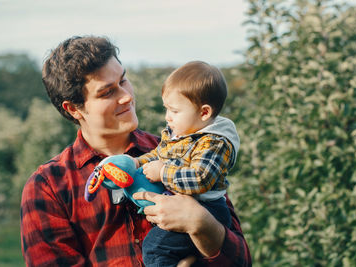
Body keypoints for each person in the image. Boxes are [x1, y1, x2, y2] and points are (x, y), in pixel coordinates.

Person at [20, 35, 251, 266]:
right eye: (107, 92)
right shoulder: (49, 187)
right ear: (73, 109)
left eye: (123, 80)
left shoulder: (182, 150)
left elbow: (242, 261)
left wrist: (202, 224)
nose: (127, 96)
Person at [133, 61, 240, 267]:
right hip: (185, 205)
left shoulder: (215, 142)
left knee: (155, 248)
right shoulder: (182, 134)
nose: (167, 117)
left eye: (174, 111)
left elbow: (200, 178)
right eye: (167, 109)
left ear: (204, 113)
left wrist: (163, 173)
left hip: (208, 209)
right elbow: (159, 155)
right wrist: (138, 162)